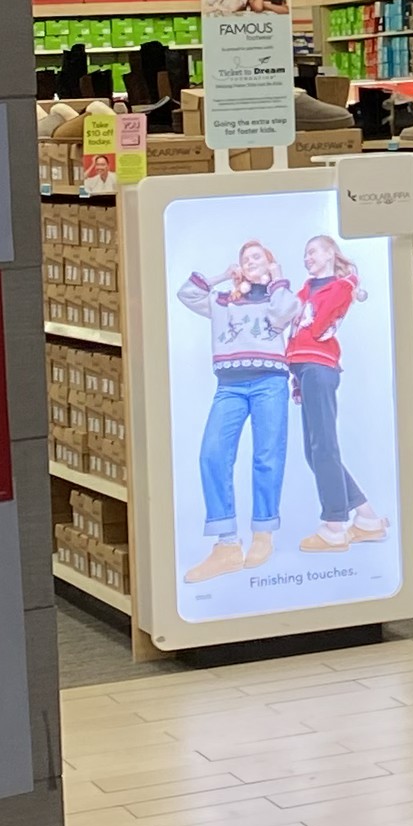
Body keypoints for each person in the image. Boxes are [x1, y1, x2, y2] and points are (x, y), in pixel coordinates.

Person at [176, 235, 295, 579]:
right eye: (245, 258)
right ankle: (227, 544)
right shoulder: (223, 301)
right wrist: (220, 276)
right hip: (229, 385)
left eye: (257, 256)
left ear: (270, 262)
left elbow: (285, 313)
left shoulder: (278, 296)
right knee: (212, 454)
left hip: (270, 382)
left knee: (267, 455)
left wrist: (277, 278)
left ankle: (263, 534)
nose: (250, 261)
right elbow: (186, 293)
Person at [286, 234, 386, 551]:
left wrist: (348, 283)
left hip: (319, 367)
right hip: (305, 370)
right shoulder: (306, 290)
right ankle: (367, 519)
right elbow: (287, 321)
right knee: (314, 450)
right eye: (305, 254)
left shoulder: (339, 288)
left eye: (313, 251)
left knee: (324, 447)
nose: (307, 258)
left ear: (331, 254)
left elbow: (317, 328)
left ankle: (333, 526)